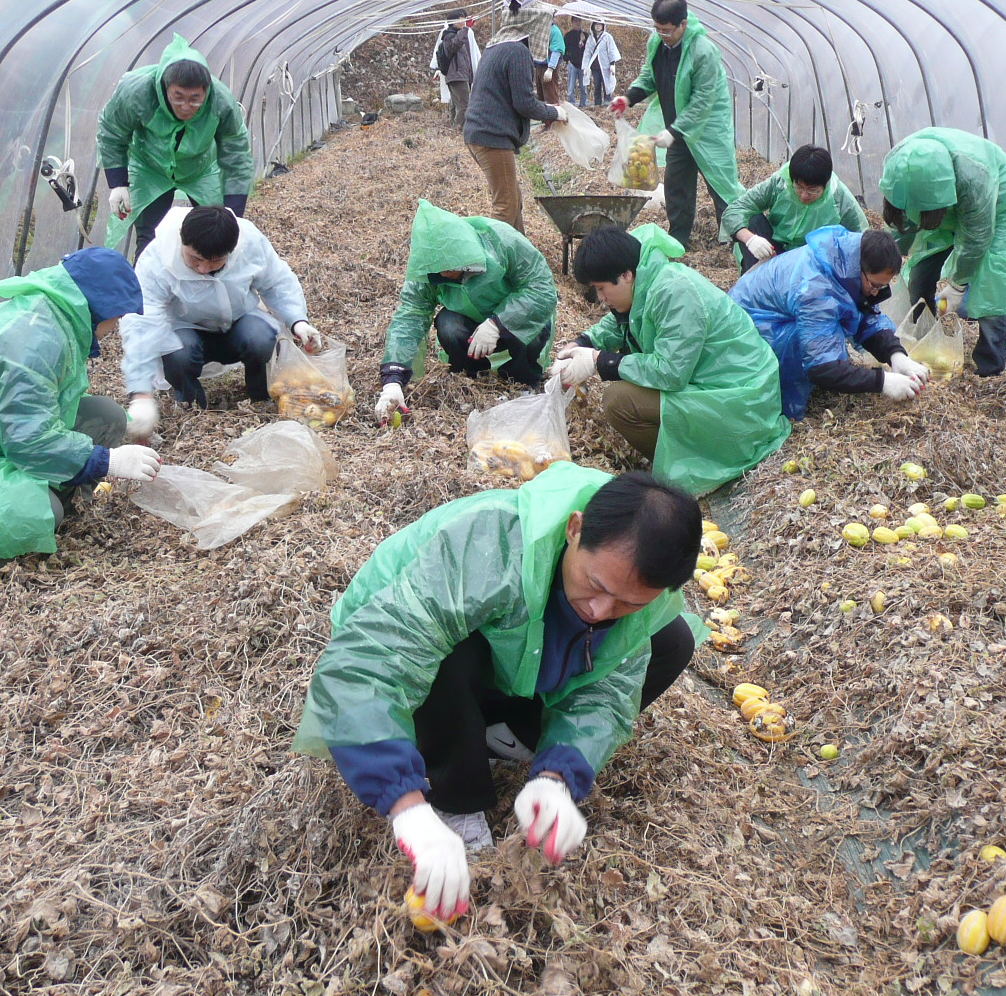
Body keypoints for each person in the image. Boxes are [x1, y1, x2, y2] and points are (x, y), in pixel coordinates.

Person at [292, 466, 704, 923]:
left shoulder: (633, 599)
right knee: (453, 652)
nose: (601, 611)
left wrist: (559, 776)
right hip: (412, 650)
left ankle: (501, 738)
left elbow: (607, 692)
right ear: (575, 528)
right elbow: (369, 663)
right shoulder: (491, 546)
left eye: (629, 603)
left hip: (513, 664)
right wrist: (407, 809)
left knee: (670, 640)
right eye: (597, 586)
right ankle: (454, 791)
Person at [0, 247, 160, 591]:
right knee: (41, 512)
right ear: (100, 308)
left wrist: (128, 422)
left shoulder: (55, 316)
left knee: (106, 418)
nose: (118, 324)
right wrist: (106, 460)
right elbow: (27, 439)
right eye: (118, 316)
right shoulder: (35, 338)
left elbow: (43, 408)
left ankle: (45, 501)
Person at [548, 224, 790, 495]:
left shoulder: (675, 292)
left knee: (619, 401)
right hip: (714, 384)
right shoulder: (644, 278)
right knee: (628, 387)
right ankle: (680, 454)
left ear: (626, 275)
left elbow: (671, 373)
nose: (602, 299)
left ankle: (695, 463)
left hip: (740, 398)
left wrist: (601, 362)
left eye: (602, 289)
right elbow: (623, 322)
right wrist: (583, 343)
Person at [118, 205, 323, 431]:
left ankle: (261, 397)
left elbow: (277, 282)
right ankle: (192, 407)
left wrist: (297, 321)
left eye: (215, 261)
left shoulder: (250, 242)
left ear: (232, 250)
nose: (204, 269)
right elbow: (142, 321)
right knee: (176, 354)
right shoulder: (156, 259)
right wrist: (141, 393)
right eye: (194, 259)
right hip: (185, 329)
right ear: (181, 242)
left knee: (261, 337)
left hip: (239, 322)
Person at [375, 200, 558, 423]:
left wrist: (497, 323)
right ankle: (471, 375)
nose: (445, 272)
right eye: (439, 267)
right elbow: (410, 316)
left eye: (451, 264)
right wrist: (393, 379)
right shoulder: (426, 269)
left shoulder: (501, 240)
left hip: (513, 316)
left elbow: (541, 289)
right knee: (448, 324)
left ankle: (522, 379)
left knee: (534, 328)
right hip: (469, 322)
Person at [729, 227, 930, 419]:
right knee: (809, 341)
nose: (876, 292)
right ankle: (779, 402)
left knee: (833, 326)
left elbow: (864, 315)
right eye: (875, 285)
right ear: (859, 268)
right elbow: (822, 367)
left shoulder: (846, 259)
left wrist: (896, 355)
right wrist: (882, 382)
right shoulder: (815, 289)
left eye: (883, 286)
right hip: (746, 335)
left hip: (766, 315)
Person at [879, 127, 1006, 377]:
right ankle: (921, 341)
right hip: (933, 206)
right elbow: (900, 224)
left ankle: (989, 367)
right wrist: (885, 263)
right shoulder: (902, 165)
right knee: (920, 273)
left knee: (993, 285)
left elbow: (977, 237)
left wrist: (957, 285)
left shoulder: (974, 175)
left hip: (998, 205)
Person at [97, 34, 254, 260]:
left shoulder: (220, 101)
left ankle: (206, 280)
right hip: (149, 166)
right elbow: (112, 131)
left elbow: (237, 152)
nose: (187, 107)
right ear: (165, 87)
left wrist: (233, 211)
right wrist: (118, 182)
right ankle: (147, 289)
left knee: (214, 231)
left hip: (200, 167)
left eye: (195, 99)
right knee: (149, 235)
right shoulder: (136, 93)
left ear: (206, 90)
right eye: (178, 97)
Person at [610, 0, 746, 252]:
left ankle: (735, 240)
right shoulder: (657, 44)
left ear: (683, 24)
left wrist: (674, 131)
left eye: (667, 30)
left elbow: (703, 100)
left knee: (721, 184)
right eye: (658, 29)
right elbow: (649, 76)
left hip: (707, 129)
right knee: (676, 184)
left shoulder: (703, 51)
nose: (662, 35)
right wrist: (628, 98)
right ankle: (679, 237)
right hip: (678, 128)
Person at [463, 0, 564, 231]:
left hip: (480, 133)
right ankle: (492, 262)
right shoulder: (517, 51)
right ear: (533, 24)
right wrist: (555, 112)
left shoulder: (497, 45)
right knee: (505, 206)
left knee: (513, 199)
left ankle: (519, 255)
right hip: (492, 136)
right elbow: (524, 103)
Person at [722, 145, 868, 276]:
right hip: (775, 250)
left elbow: (861, 238)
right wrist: (750, 239)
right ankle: (754, 284)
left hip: (811, 260)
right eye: (799, 187)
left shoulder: (839, 199)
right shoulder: (780, 183)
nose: (804, 195)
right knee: (753, 220)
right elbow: (735, 210)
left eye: (812, 191)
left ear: (826, 183)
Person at [430, 10, 480, 128]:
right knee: (464, 105)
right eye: (461, 19)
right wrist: (466, 29)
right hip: (456, 75)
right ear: (454, 22)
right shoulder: (449, 35)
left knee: (455, 103)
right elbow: (455, 45)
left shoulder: (459, 34)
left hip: (460, 75)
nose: (463, 21)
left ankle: (452, 127)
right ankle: (458, 128)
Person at [585, 19, 621, 107]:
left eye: (599, 24)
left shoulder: (607, 37)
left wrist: (612, 64)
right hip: (595, 66)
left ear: (603, 26)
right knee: (597, 86)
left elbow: (611, 50)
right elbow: (587, 53)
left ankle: (607, 103)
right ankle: (597, 104)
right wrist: (585, 66)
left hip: (605, 66)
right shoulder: (591, 38)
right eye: (596, 24)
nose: (598, 26)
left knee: (606, 85)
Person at [562, 16, 588, 108]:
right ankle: (572, 105)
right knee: (570, 87)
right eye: (576, 21)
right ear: (572, 23)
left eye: (579, 21)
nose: (578, 23)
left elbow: (589, 50)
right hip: (572, 64)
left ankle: (583, 105)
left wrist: (583, 41)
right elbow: (564, 49)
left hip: (583, 65)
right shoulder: (568, 35)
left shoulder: (585, 35)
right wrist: (567, 59)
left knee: (583, 87)